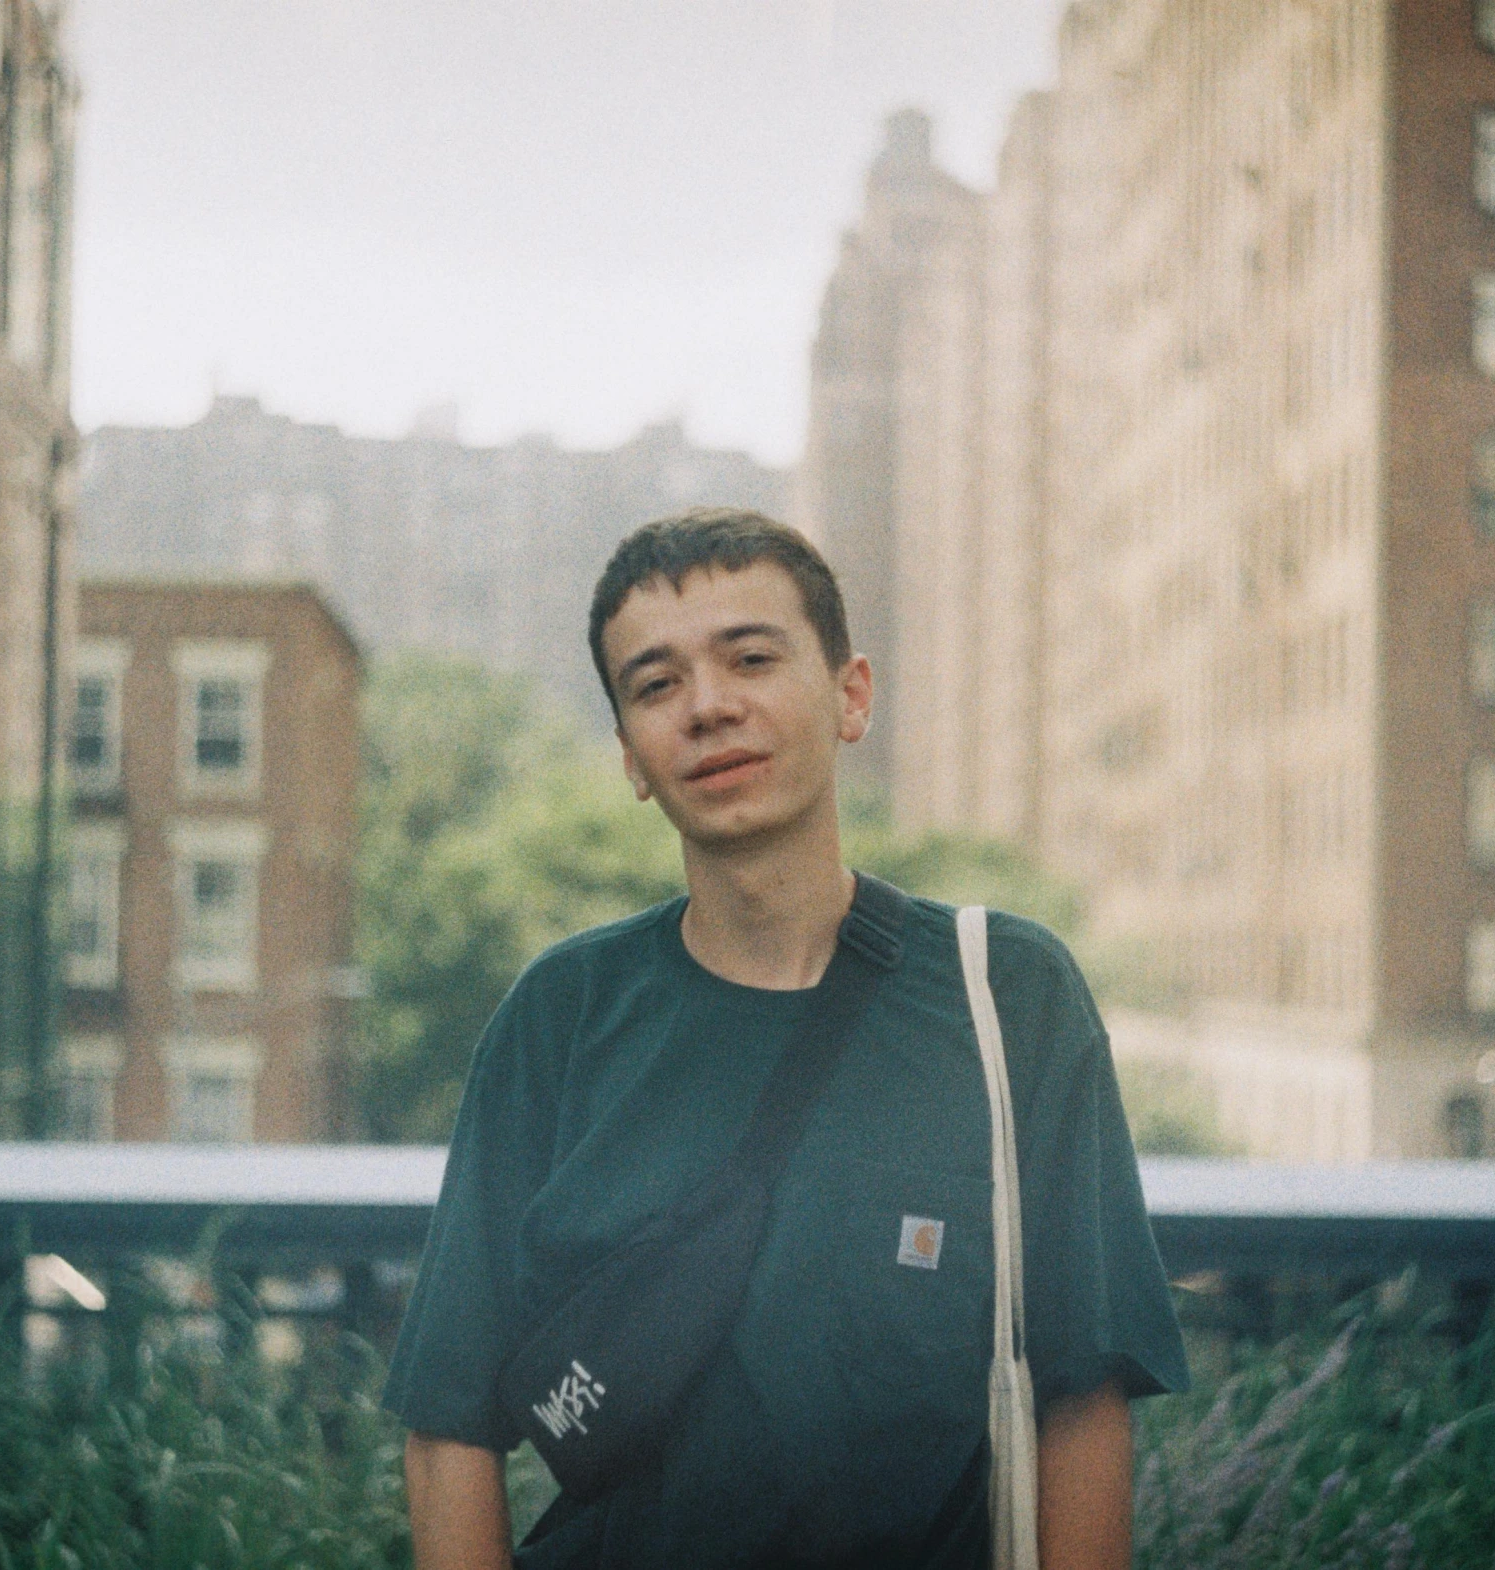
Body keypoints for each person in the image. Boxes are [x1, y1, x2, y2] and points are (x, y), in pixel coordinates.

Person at [382, 509, 1186, 1569]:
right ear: (630, 754)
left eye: (751, 658)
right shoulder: (561, 1014)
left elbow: (1082, 1401)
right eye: (656, 684)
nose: (709, 707)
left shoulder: (1008, 999)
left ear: (850, 694)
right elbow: (448, 1423)